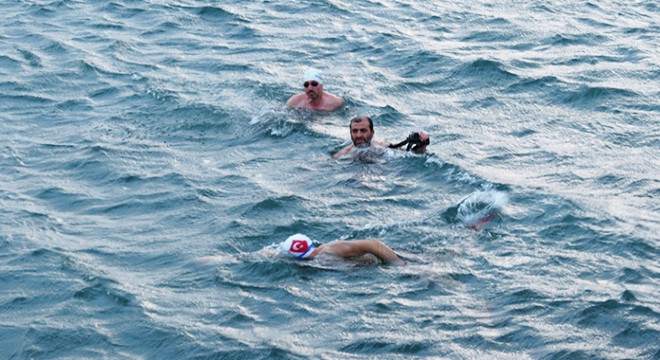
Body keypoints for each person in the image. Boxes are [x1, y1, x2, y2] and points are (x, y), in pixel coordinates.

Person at [332, 116, 430, 158]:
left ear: (372, 132)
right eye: (355, 131)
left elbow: (411, 154)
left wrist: (423, 144)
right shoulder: (343, 154)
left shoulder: (382, 145)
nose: (358, 135)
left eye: (363, 130)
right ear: (350, 133)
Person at [280, 233, 403, 265]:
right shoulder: (315, 258)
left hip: (395, 259)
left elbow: (373, 244)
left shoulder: (329, 250)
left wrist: (399, 264)